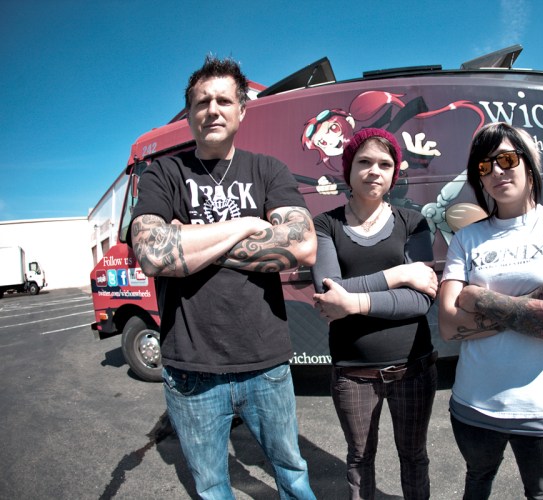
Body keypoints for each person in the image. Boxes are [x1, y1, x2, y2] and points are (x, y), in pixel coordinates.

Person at [128, 55, 317, 500]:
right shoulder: (164, 174)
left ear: (242, 110)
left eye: (224, 101)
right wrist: (248, 224)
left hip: (265, 362)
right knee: (212, 487)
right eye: (202, 102)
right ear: (190, 113)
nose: (212, 110)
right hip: (191, 367)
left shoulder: (268, 170)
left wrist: (188, 241)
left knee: (293, 475)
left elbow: (302, 245)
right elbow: (152, 253)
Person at [438, 122, 543, 500]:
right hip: (474, 404)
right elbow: (448, 325)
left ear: (529, 164)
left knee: (542, 492)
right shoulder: (466, 238)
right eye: (484, 166)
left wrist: (477, 298)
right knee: (477, 482)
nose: (496, 171)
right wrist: (540, 298)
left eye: (507, 159)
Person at [311, 128, 439, 499]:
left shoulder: (413, 222)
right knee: (359, 459)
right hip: (353, 373)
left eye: (385, 164)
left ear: (394, 173)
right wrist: (399, 275)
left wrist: (353, 304)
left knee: (414, 457)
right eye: (364, 162)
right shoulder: (325, 225)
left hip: (414, 368)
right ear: (348, 170)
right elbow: (329, 292)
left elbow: (420, 300)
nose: (374, 171)